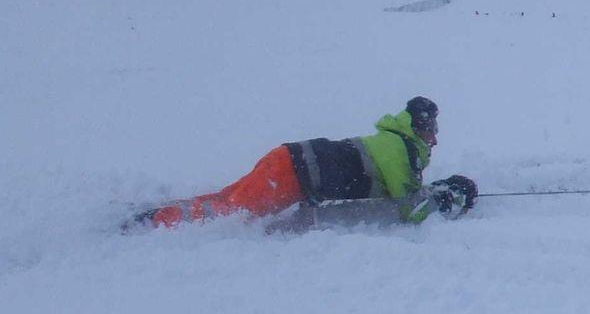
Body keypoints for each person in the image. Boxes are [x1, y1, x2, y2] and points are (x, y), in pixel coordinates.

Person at [137, 96, 477, 229]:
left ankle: (159, 212)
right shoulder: (398, 149)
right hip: (290, 175)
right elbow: (410, 210)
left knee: (227, 200)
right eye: (431, 130)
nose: (435, 138)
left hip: (287, 161)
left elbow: (407, 192)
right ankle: (155, 222)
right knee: (229, 214)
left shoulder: (395, 144)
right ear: (417, 128)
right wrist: (445, 199)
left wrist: (437, 189)